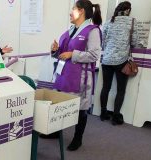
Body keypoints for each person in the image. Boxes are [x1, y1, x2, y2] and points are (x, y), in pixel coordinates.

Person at [50, 0, 102, 151]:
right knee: (61, 105)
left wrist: (73, 54)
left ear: (81, 11)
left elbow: (94, 55)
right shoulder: (71, 30)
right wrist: (55, 50)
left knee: (80, 109)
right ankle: (55, 132)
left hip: (80, 79)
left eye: (73, 9)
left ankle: (77, 138)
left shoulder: (93, 31)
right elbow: (62, 54)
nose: (70, 12)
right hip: (64, 76)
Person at [100, 1, 138, 125]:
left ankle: (103, 113)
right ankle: (116, 116)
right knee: (120, 90)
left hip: (106, 60)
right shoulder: (131, 21)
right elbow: (134, 42)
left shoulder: (108, 22)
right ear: (128, 10)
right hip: (122, 60)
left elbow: (103, 42)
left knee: (106, 87)